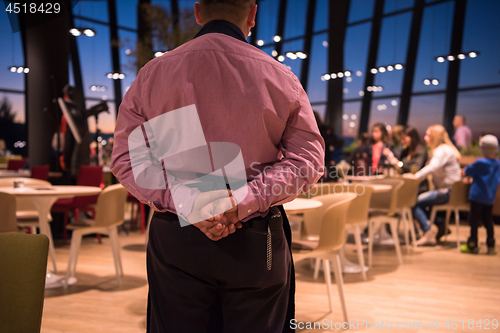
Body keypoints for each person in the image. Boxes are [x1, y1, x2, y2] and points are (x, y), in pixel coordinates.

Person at [110, 1, 325, 332]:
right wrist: (240, 202)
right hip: (256, 240)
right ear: (252, 14)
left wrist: (191, 202)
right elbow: (308, 161)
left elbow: (127, 160)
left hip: (178, 238)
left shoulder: (155, 74)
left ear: (198, 12)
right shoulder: (280, 76)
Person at [408, 124, 462, 246]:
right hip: (452, 192)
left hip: (446, 192)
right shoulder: (447, 149)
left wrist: (416, 176)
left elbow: (433, 167)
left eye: (428, 135)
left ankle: (428, 233)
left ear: (435, 137)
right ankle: (440, 224)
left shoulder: (441, 150)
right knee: (423, 204)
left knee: (412, 202)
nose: (425, 138)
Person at [460, 135, 500, 255]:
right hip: (490, 198)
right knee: (488, 221)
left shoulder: (480, 162)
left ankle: (472, 244)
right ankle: (491, 245)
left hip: (477, 196)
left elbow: (466, 171)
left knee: (473, 220)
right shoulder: (497, 163)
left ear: (482, 148)